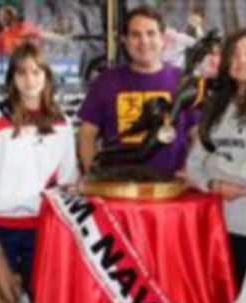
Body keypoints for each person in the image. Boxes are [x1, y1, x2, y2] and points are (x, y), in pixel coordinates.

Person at [186, 28, 246, 285]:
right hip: (216, 222)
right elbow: (191, 166)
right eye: (235, 54)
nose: (241, 60)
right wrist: (212, 185)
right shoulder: (217, 104)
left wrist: (210, 163)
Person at [0, 42, 78, 291]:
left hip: (42, 226)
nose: (29, 80)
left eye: (36, 72)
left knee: (40, 296)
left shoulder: (62, 123)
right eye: (22, 72)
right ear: (12, 78)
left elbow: (68, 179)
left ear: (46, 76)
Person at [77, 5, 198, 178]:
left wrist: (189, 172)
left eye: (151, 33)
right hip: (118, 187)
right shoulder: (105, 82)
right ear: (124, 41)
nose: (144, 41)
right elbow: (87, 135)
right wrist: (93, 177)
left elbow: (198, 134)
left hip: (172, 188)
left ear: (163, 39)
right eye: (135, 35)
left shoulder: (184, 82)